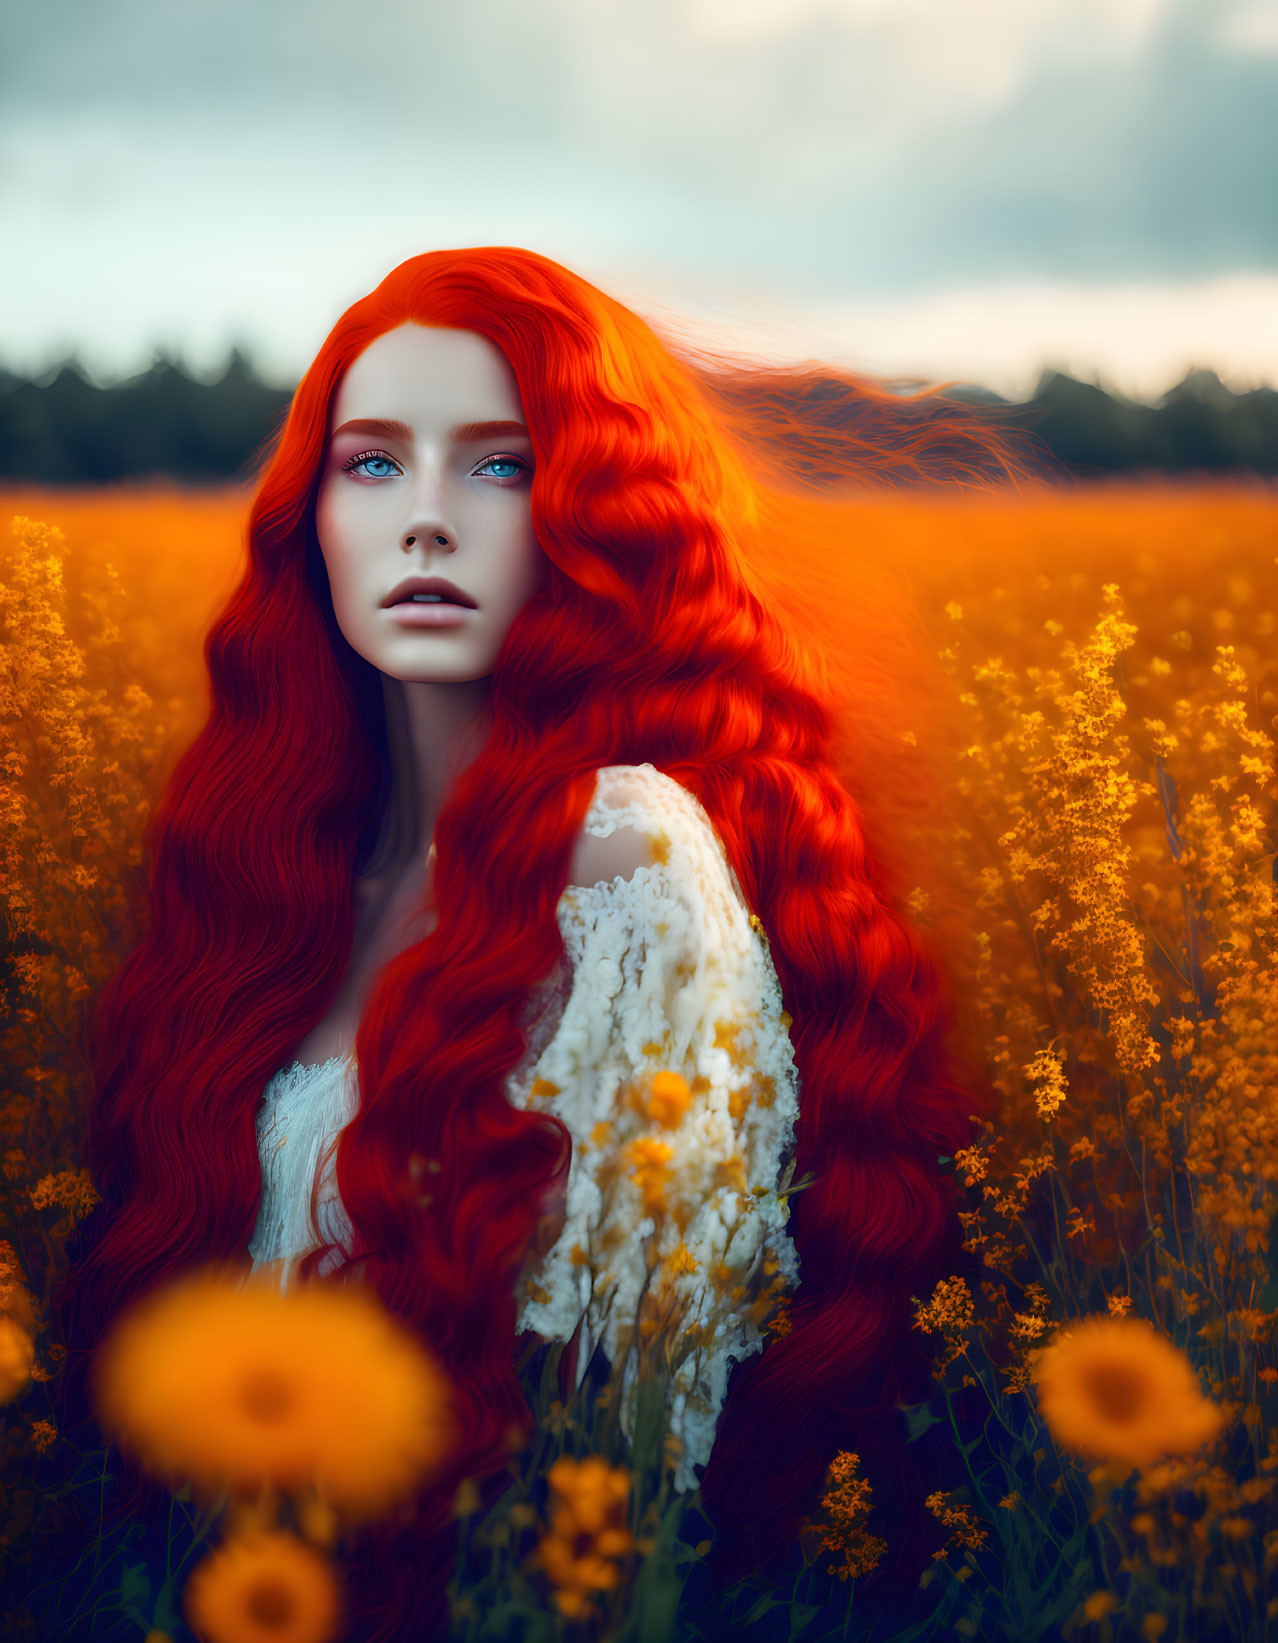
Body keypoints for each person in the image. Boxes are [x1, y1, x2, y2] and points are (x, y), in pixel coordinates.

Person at [52, 245, 1055, 1641]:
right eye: (373, 464)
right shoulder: (285, 880)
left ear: (604, 515)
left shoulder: (625, 859)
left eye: (502, 467)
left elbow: (624, 1445)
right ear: (310, 517)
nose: (427, 523)